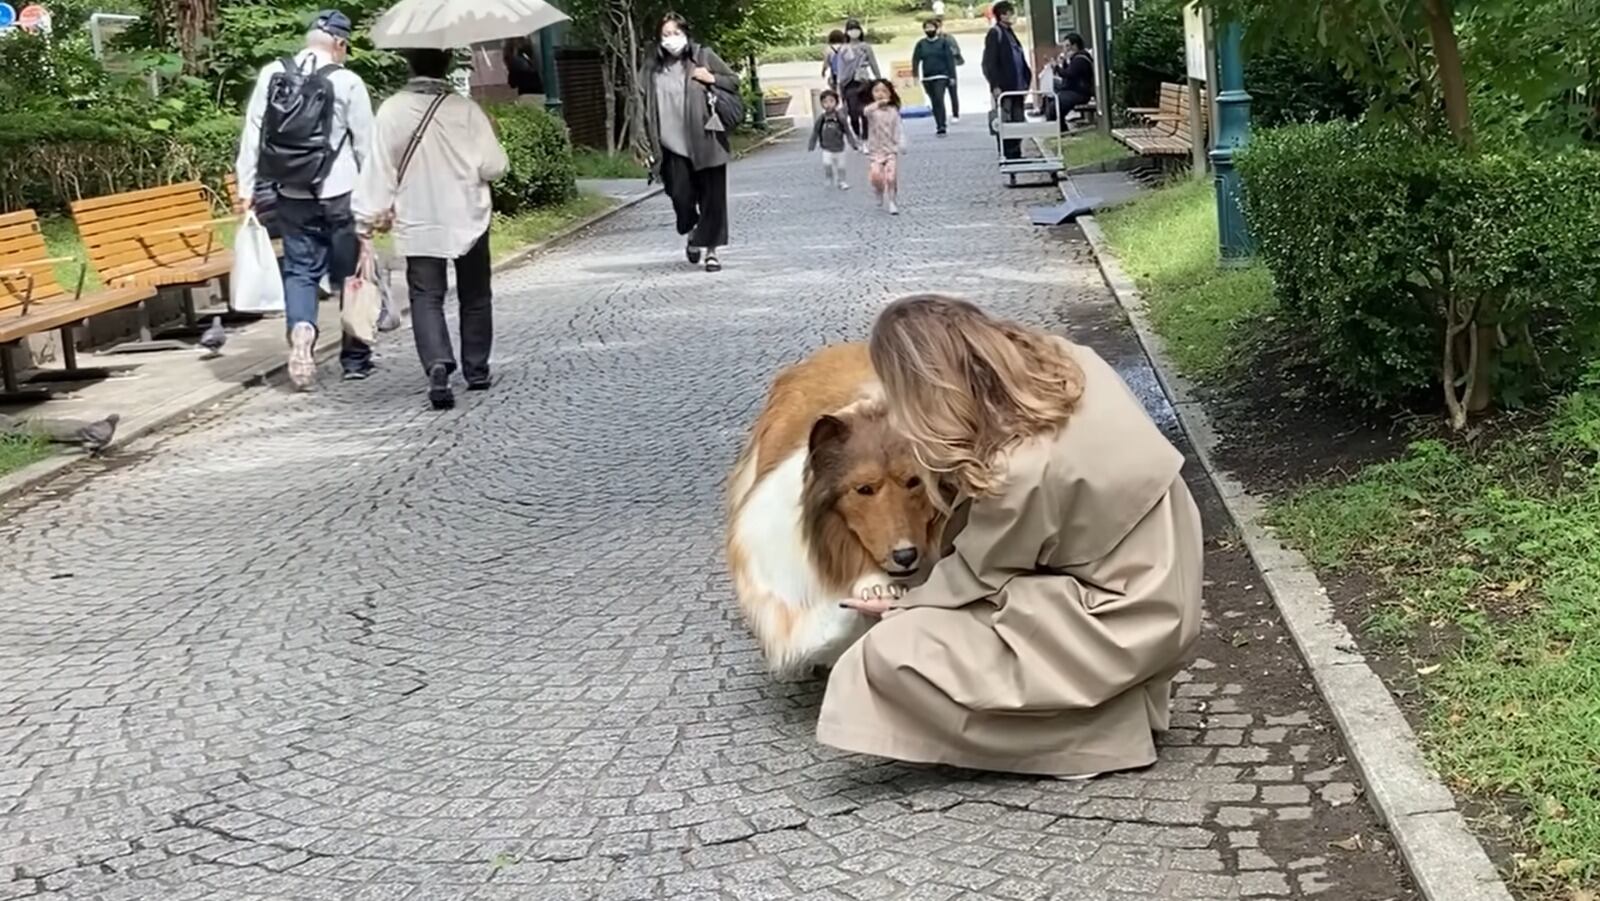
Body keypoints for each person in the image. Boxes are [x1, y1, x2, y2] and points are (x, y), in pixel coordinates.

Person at [816, 295, 1204, 779]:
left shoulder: (1014, 472)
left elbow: (978, 575)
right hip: (1165, 571)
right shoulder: (1065, 361)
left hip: (1122, 614)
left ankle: (1092, 738)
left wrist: (904, 604)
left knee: (887, 655)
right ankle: (1107, 710)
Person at [354, 48, 509, 411]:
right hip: (467, 213)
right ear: (447, 66)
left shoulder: (391, 109)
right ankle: (477, 369)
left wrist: (366, 217)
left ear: (409, 65)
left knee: (426, 295)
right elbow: (494, 166)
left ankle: (438, 363)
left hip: (418, 216)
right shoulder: (465, 110)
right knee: (475, 294)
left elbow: (379, 168)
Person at [236, 9, 374, 388]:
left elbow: (253, 135)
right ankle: (356, 359)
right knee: (352, 276)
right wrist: (375, 202)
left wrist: (246, 188)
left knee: (299, 272)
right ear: (340, 44)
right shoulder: (347, 81)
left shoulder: (271, 74)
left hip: (291, 192)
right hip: (339, 193)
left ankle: (301, 334)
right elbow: (366, 148)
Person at [642, 12, 740, 273]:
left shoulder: (703, 56)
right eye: (666, 34)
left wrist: (712, 78)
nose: (671, 39)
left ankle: (711, 251)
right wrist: (642, 144)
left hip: (707, 140)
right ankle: (692, 229)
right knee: (680, 196)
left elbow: (733, 82)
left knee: (713, 199)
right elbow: (641, 105)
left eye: (676, 33)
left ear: (686, 34)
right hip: (670, 146)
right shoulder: (652, 67)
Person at [981, 0, 1031, 160]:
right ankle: (1008, 154)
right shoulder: (996, 33)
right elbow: (990, 62)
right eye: (1010, 13)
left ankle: (1016, 152)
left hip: (1017, 86)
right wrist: (995, 85)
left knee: (1018, 120)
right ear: (1002, 15)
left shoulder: (1010, 33)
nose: (1013, 17)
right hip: (1005, 87)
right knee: (1006, 120)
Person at [822, 19, 881, 140]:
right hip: (848, 83)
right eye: (851, 29)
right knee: (853, 112)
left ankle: (865, 137)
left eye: (856, 29)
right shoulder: (844, 49)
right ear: (847, 32)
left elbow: (873, 63)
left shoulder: (866, 47)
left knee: (865, 111)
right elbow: (841, 67)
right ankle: (858, 135)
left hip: (863, 81)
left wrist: (879, 79)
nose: (854, 32)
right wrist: (839, 83)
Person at [862, 79, 907, 215]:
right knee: (876, 176)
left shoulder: (893, 111)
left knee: (891, 177)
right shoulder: (872, 110)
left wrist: (901, 142)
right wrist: (877, 104)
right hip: (875, 149)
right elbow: (865, 112)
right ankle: (878, 191)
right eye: (876, 91)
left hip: (890, 149)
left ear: (890, 94)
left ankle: (892, 201)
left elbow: (898, 127)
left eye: (884, 91)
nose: (880, 94)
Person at [912, 17, 962, 136]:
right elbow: (916, 59)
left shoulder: (943, 42)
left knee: (939, 98)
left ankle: (942, 125)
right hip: (928, 76)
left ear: (936, 28)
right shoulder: (921, 44)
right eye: (926, 28)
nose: (929, 29)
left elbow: (949, 60)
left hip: (941, 75)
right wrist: (915, 75)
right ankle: (938, 122)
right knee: (934, 100)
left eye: (931, 27)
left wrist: (952, 77)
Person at [808, 89, 861, 191]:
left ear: (836, 103)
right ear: (822, 104)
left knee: (841, 166)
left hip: (839, 147)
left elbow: (847, 131)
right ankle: (829, 177)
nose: (828, 104)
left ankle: (842, 181)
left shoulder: (840, 117)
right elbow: (815, 131)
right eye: (825, 102)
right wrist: (812, 144)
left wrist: (853, 144)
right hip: (826, 147)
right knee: (827, 164)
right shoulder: (822, 118)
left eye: (831, 101)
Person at [1052, 32, 1095, 132]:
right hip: (1075, 89)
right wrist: (1065, 62)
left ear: (1075, 46)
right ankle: (1060, 127)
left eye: (1067, 46)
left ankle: (1061, 128)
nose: (1065, 49)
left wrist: (1057, 67)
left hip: (1080, 92)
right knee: (1055, 96)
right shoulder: (1076, 58)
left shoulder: (1080, 59)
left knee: (1057, 105)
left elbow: (1069, 74)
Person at [503, 36, 545, 101]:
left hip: (525, 92)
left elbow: (512, 83)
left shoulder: (515, 61)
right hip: (538, 91)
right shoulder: (532, 58)